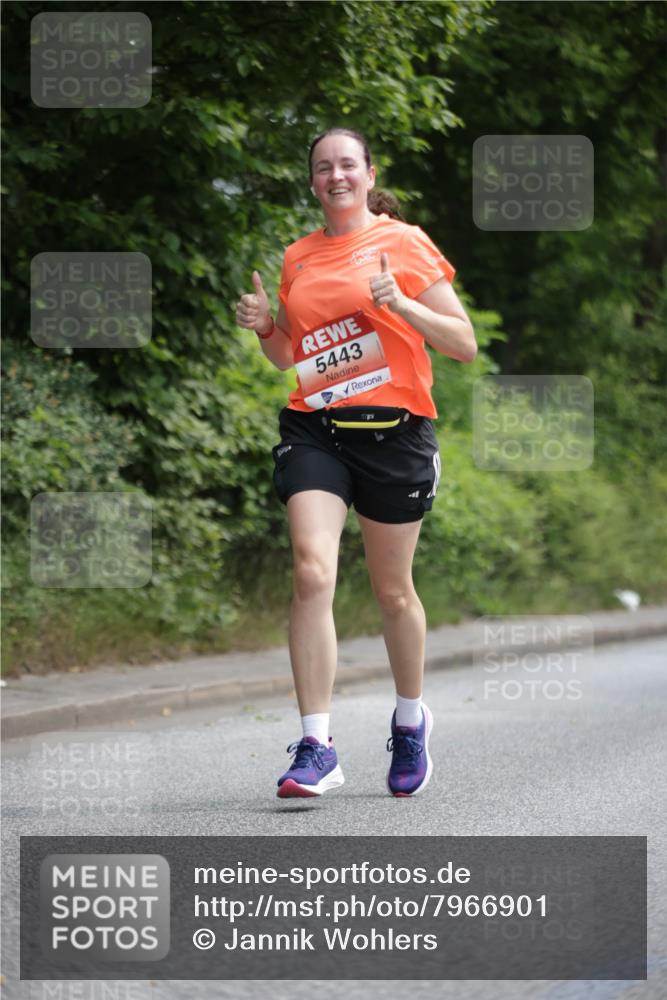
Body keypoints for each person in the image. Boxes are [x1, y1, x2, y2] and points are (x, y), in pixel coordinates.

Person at [235, 127, 476, 800]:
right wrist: (265, 326)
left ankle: (408, 721)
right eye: (322, 167)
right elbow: (290, 357)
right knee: (311, 571)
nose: (335, 175)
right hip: (316, 430)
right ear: (312, 181)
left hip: (395, 435)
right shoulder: (299, 256)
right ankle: (316, 744)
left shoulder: (403, 242)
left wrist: (399, 304)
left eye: (346, 164)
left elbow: (463, 344)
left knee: (391, 591)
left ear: (369, 174)